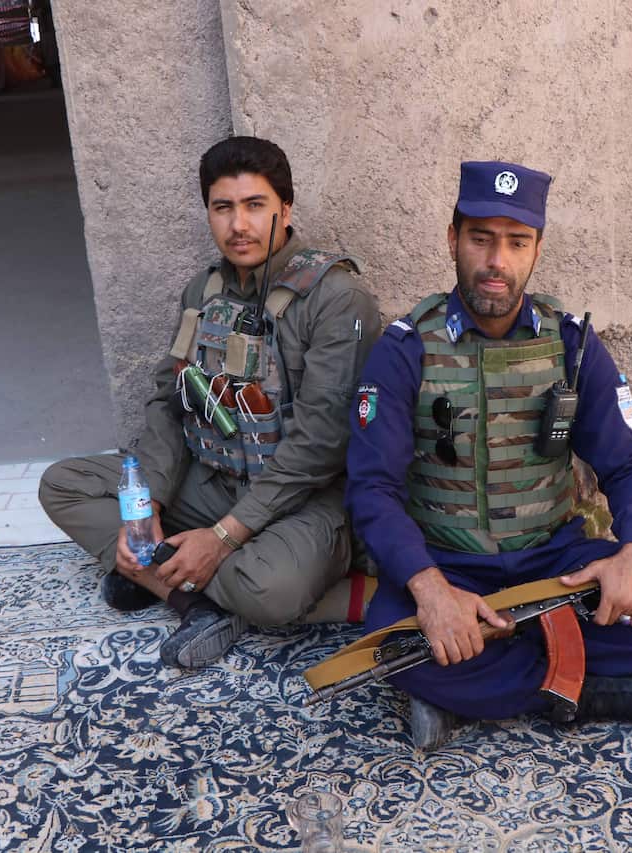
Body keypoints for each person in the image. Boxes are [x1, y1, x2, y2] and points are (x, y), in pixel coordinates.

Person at [344, 160, 632, 750]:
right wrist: (431, 591)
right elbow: (372, 488)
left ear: (537, 249)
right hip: (452, 564)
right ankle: (605, 688)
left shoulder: (570, 342)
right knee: (391, 646)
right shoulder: (405, 349)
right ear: (453, 240)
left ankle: (480, 682)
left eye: (516, 242)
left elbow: (630, 462)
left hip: (555, 560)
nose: (498, 261)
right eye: (481, 239)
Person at [40, 136, 382, 669]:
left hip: (301, 498)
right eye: (223, 208)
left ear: (285, 209)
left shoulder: (338, 298)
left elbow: (323, 444)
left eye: (255, 206)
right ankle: (192, 594)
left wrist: (223, 538)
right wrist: (147, 505)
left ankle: (169, 578)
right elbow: (169, 401)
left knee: (270, 592)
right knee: (62, 486)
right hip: (212, 479)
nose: (238, 225)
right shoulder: (202, 291)